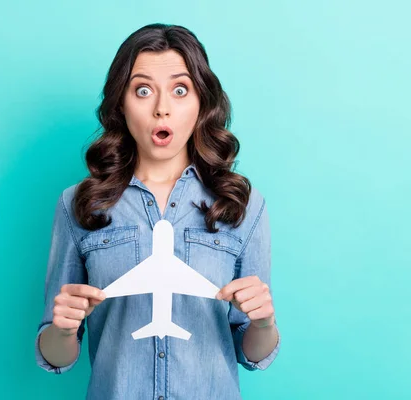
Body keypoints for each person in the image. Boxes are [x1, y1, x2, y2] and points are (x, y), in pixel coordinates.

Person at [35, 23, 280, 400]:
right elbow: (55, 355)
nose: (162, 108)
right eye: (143, 90)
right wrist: (63, 331)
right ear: (121, 102)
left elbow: (252, 352)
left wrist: (263, 323)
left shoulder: (241, 206)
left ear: (201, 103)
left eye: (180, 90)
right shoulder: (80, 205)